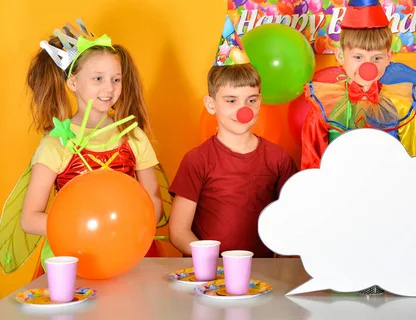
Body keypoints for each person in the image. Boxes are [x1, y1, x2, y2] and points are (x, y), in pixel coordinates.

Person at [0, 20, 171, 277]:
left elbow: (154, 202)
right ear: (73, 83)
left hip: (131, 255)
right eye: (98, 78)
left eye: (116, 79)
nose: (109, 88)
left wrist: (131, 227)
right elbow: (29, 218)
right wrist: (84, 228)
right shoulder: (56, 143)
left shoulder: (133, 137)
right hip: (73, 260)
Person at [168, 17, 297, 258]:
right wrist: (211, 264)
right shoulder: (197, 160)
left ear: (260, 101)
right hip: (209, 278)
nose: (243, 110)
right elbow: (178, 231)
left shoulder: (279, 159)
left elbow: (292, 222)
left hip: (264, 277)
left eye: (251, 100)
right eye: (230, 101)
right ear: (211, 104)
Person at [301, 0, 416, 170]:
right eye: (358, 57)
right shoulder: (322, 109)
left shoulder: (402, 109)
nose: (367, 66)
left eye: (376, 58)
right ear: (341, 57)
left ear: (389, 58)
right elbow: (310, 168)